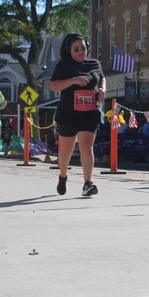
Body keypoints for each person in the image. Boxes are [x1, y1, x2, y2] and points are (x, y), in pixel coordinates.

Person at [49, 32, 105, 197]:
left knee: (86, 146)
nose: (81, 51)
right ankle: (63, 176)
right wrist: (73, 80)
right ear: (70, 50)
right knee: (66, 150)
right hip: (68, 113)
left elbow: (102, 77)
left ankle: (87, 184)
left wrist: (102, 88)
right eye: (76, 49)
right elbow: (53, 85)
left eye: (83, 48)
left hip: (89, 112)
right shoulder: (64, 64)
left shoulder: (94, 63)